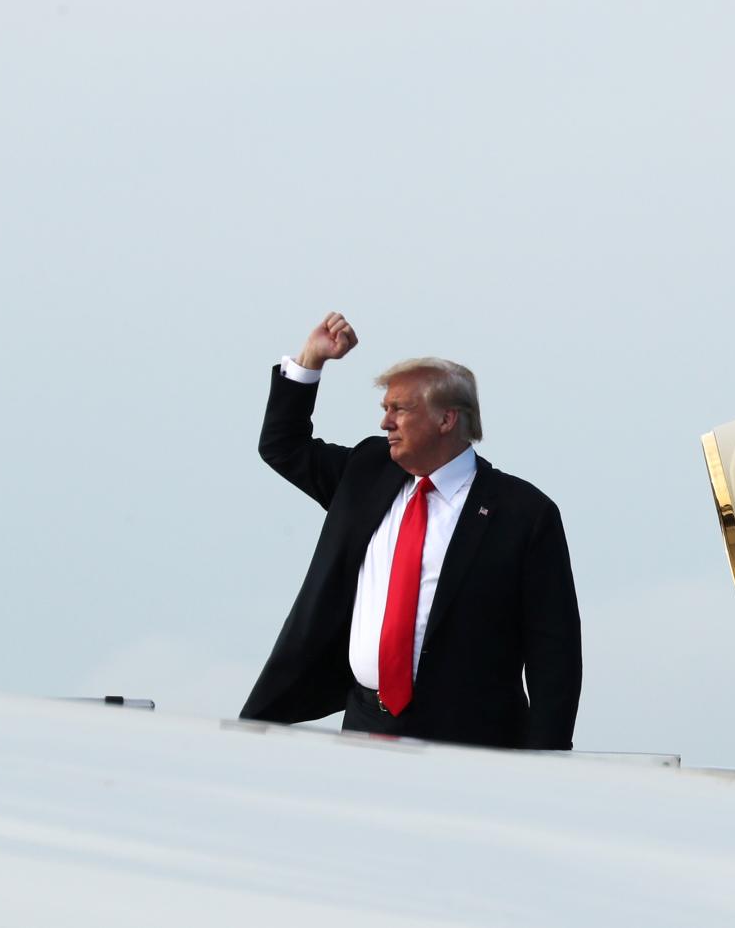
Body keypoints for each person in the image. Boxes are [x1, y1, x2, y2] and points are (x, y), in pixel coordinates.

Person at [241, 312, 582, 749]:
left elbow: (555, 653)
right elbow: (282, 446)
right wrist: (311, 361)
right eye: (385, 410)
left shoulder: (524, 513)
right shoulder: (366, 473)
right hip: (366, 724)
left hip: (470, 738)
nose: (386, 423)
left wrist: (547, 756)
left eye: (399, 409)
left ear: (447, 420)